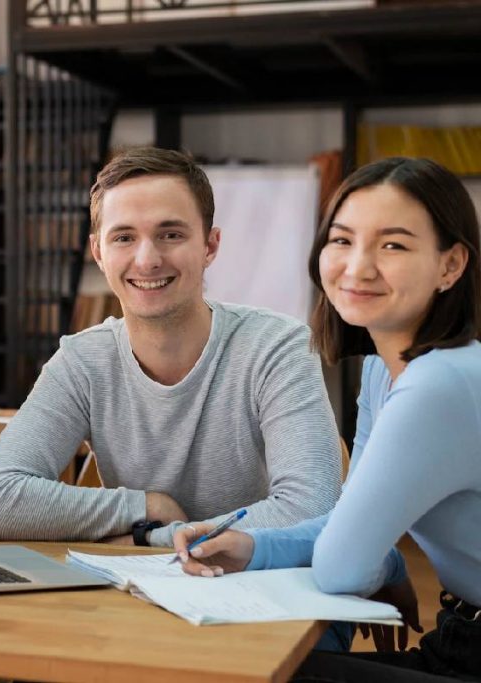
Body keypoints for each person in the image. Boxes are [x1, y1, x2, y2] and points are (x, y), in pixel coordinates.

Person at [172, 157, 481, 682]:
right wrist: (251, 547)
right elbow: (349, 525)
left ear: (451, 265)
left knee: (254, 672)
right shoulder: (388, 375)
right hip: (460, 634)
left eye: (393, 245)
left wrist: (379, 560)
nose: (357, 267)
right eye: (341, 240)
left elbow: (343, 566)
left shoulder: (439, 385)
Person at [0, 146, 342, 550]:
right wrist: (144, 505)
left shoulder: (277, 348)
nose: (147, 260)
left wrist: (151, 537)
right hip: (138, 600)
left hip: (261, 595)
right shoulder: (82, 362)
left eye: (171, 235)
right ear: (99, 252)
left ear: (210, 246)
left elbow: (312, 508)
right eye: (124, 237)